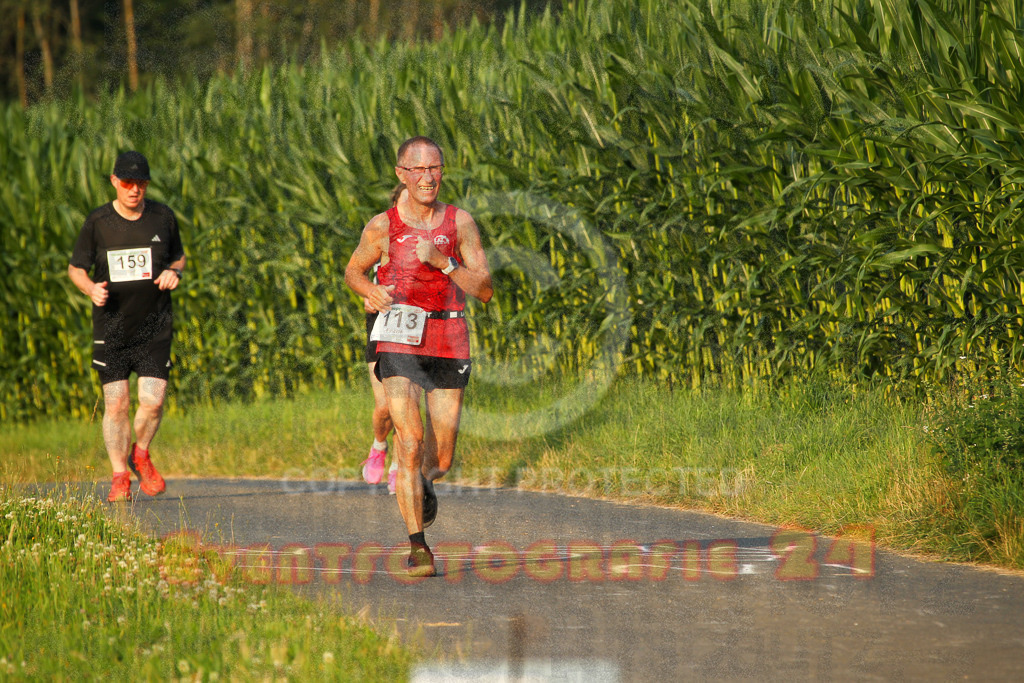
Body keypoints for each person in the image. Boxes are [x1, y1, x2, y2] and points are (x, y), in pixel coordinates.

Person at [345, 136, 493, 577]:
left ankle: (423, 482)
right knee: (408, 441)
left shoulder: (460, 223)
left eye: (435, 169)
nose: (428, 177)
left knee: (440, 458)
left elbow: (484, 289)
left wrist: (446, 263)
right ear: (401, 175)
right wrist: (369, 290)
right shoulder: (381, 225)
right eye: (418, 170)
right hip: (399, 336)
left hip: (448, 335)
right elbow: (353, 269)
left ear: (443, 172)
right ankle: (418, 547)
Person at [68, 151, 186, 503]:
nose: (135, 190)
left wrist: (173, 271)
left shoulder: (162, 217)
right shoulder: (98, 222)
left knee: (153, 402)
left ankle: (141, 453)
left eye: (142, 184)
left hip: (154, 326)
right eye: (128, 183)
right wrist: (90, 288)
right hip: (113, 329)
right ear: (114, 181)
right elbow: (76, 268)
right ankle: (120, 474)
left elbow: (178, 255)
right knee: (116, 404)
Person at [360, 184, 406, 494]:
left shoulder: (432, 239)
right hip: (381, 326)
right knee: (385, 407)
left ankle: (398, 469)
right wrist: (370, 295)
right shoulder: (381, 236)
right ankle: (378, 446)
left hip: (415, 332)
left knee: (407, 407)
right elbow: (358, 276)